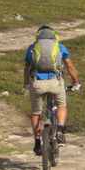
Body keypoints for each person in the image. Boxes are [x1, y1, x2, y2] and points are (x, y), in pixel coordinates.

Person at [23, 25, 80, 156]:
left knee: (36, 113)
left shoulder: (32, 47)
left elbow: (27, 67)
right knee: (61, 105)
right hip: (55, 82)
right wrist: (75, 83)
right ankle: (60, 129)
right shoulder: (60, 46)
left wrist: (26, 83)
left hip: (37, 83)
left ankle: (37, 143)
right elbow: (70, 67)